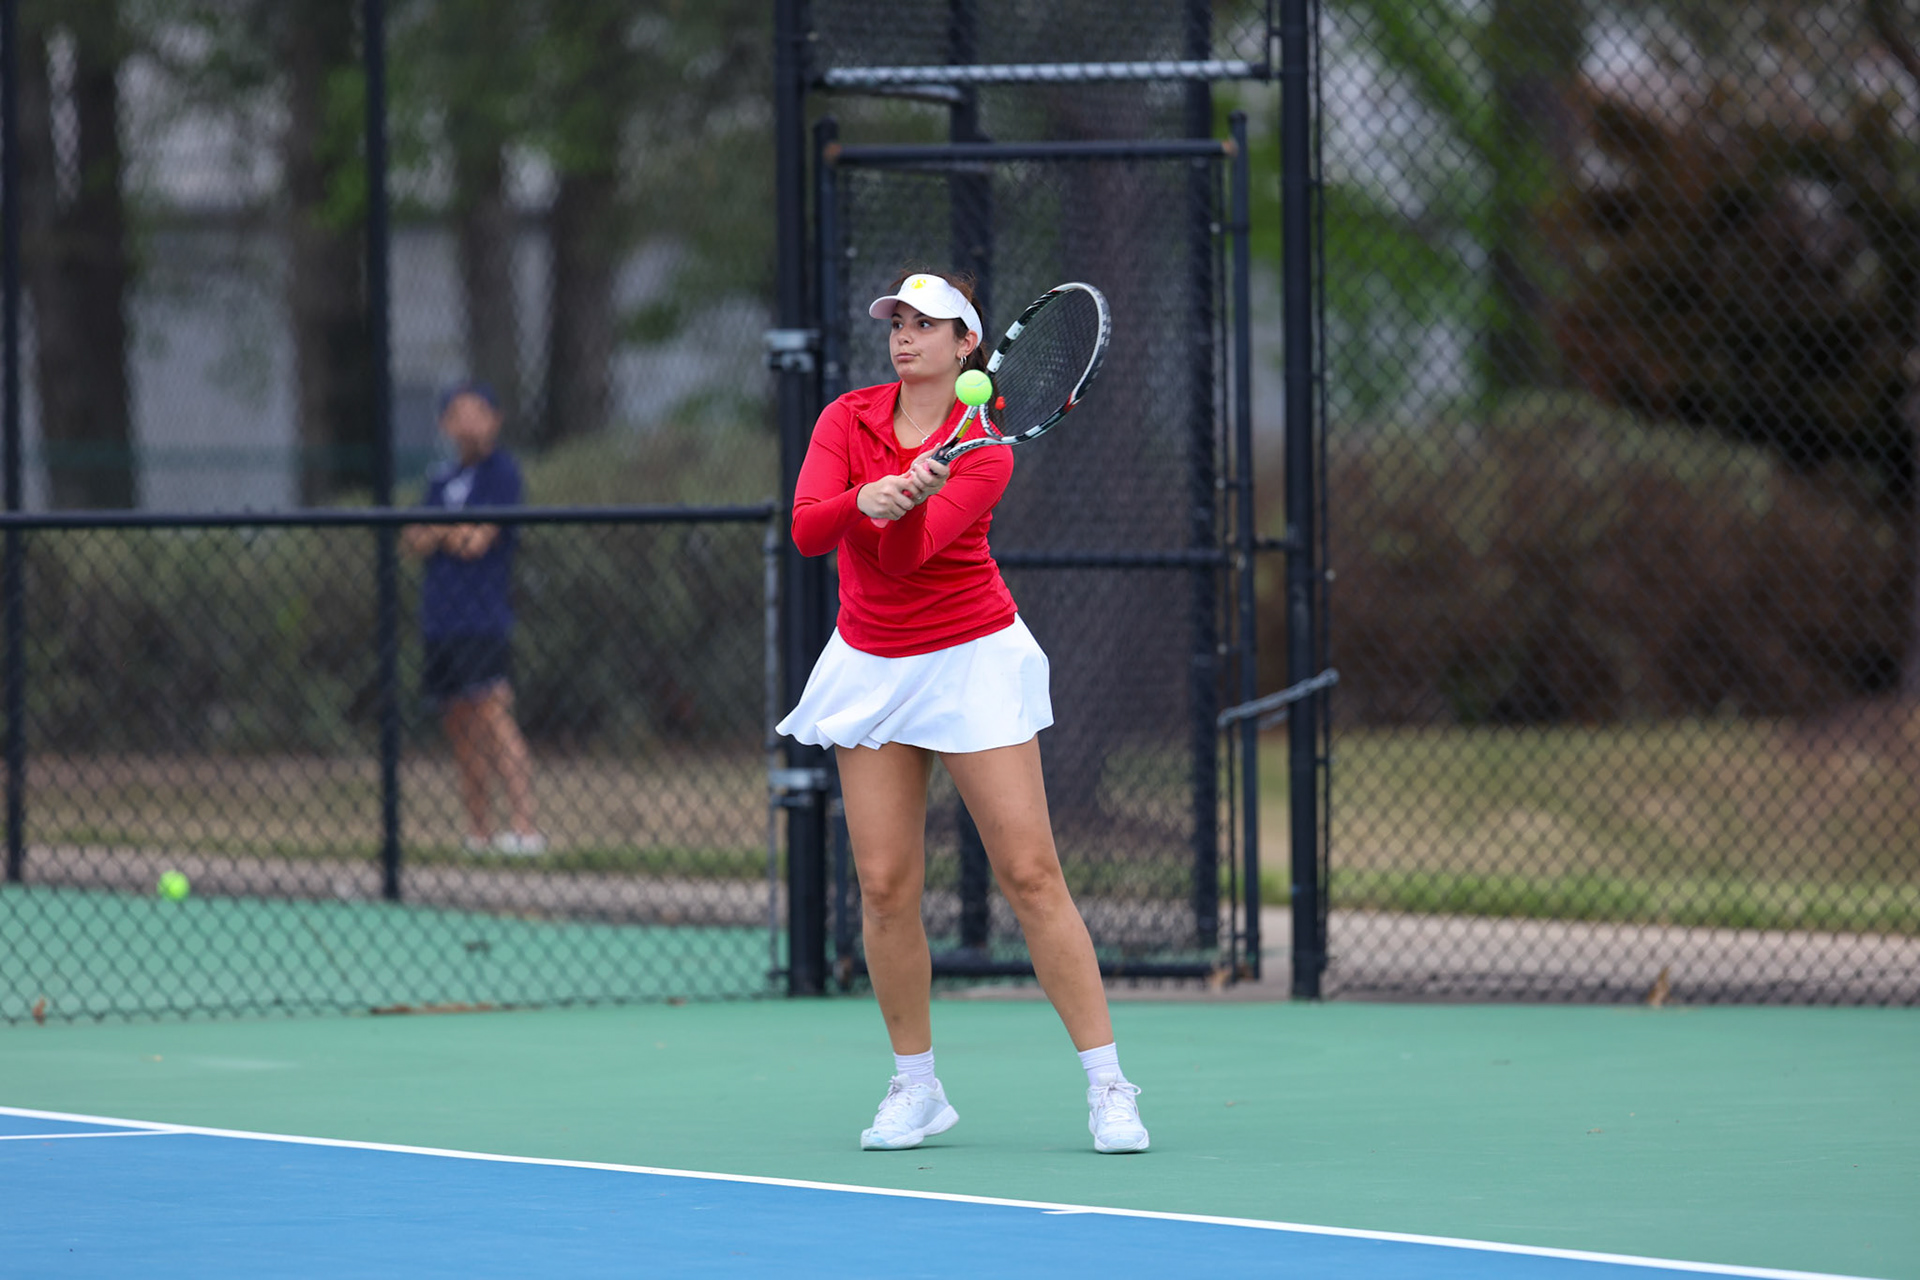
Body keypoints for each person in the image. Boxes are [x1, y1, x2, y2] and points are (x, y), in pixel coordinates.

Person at [777, 270, 1149, 1155]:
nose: (905, 336)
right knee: (884, 885)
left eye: (926, 324)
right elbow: (805, 528)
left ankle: (1109, 1087)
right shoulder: (846, 419)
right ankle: (917, 1087)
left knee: (1029, 874)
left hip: (970, 658)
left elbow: (906, 560)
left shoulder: (988, 450)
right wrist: (865, 496)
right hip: (870, 661)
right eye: (897, 322)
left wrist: (902, 498)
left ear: (966, 346)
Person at [401, 379, 545, 857]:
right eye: (457, 412)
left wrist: (441, 530)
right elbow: (412, 540)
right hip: (439, 620)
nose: (466, 421)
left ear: (494, 418)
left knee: (495, 717)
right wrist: (447, 531)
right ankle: (478, 833)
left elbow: (476, 541)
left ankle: (524, 830)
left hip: (482, 618)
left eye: (476, 411)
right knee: (459, 729)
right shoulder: (441, 478)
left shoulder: (502, 474)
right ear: (445, 423)